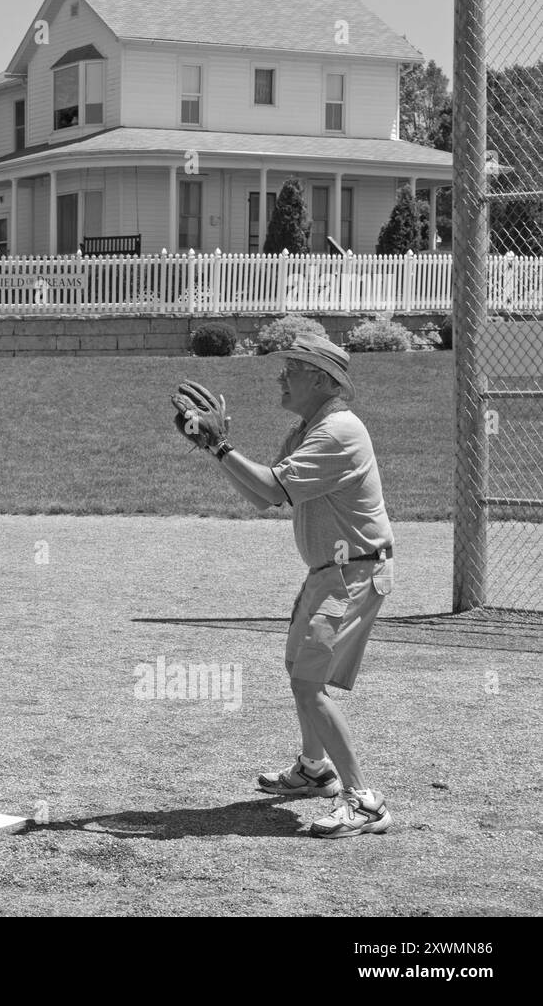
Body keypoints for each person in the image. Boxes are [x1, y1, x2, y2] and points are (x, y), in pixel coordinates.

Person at [198, 333, 395, 839]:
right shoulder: (311, 428)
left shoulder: (337, 432)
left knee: (309, 682)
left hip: (352, 573)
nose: (280, 376)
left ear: (322, 380)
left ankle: (364, 802)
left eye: (292, 369)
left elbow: (269, 487)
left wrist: (221, 445)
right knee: (299, 672)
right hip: (329, 572)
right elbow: (266, 496)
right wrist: (213, 449)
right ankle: (314, 769)